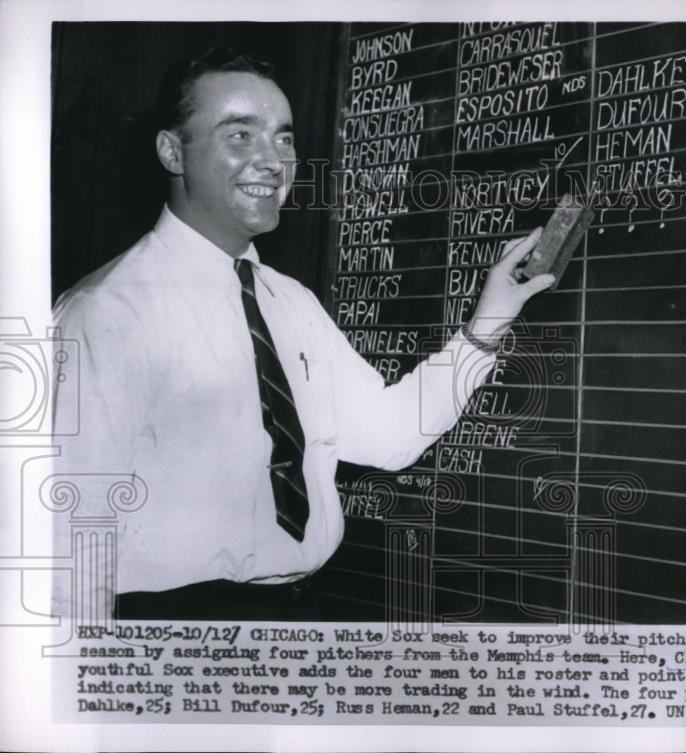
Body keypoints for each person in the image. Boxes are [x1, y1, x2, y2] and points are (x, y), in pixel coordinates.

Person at [51, 47, 554, 620]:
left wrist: (489, 320)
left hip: (303, 612)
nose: (272, 160)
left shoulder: (292, 303)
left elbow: (389, 436)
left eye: (283, 138)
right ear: (173, 152)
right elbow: (68, 546)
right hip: (176, 630)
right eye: (240, 134)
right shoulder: (103, 312)